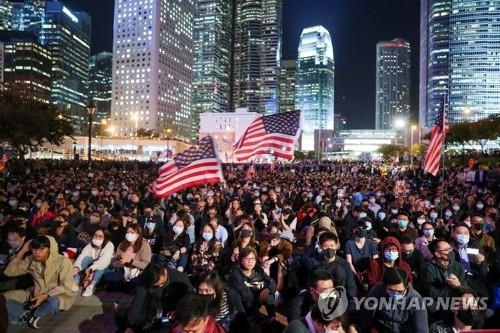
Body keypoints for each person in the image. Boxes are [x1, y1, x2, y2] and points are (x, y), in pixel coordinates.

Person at [2, 235, 76, 329]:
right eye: (34, 248)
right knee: (3, 298)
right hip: (35, 294)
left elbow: (66, 286)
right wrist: (22, 251)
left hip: (57, 295)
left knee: (53, 302)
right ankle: (29, 315)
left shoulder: (63, 262)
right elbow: (9, 272)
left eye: (42, 249)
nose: (37, 252)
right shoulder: (31, 259)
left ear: (49, 249)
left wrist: (45, 296)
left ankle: (30, 314)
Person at [116, 263, 193, 333]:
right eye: (156, 285)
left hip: (169, 314)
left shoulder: (180, 279)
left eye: (162, 283)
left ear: (165, 272)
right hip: (149, 310)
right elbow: (138, 303)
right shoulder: (145, 278)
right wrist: (129, 326)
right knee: (121, 316)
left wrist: (178, 313)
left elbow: (190, 301)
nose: (160, 286)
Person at [362, 268, 428, 333]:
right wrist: (370, 328)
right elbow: (366, 315)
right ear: (384, 285)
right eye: (391, 290)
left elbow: (421, 330)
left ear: (407, 286)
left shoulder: (416, 300)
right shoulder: (378, 290)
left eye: (400, 292)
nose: (395, 294)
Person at [304, 232, 357, 299]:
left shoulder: (344, 264)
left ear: (336, 246)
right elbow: (310, 285)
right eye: (325, 246)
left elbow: (351, 286)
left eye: (332, 246)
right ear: (320, 246)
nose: (329, 249)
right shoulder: (313, 262)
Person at [228, 247, 277, 319]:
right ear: (241, 260)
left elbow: (272, 282)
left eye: (252, 259)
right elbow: (244, 293)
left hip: (258, 299)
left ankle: (272, 318)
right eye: (247, 258)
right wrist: (258, 299)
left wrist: (267, 289)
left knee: (269, 295)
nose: (250, 261)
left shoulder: (259, 271)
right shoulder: (235, 274)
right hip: (244, 305)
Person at [422, 240, 467, 310]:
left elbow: (465, 286)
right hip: (438, 301)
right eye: (447, 250)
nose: (451, 252)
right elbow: (432, 292)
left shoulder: (458, 266)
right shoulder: (428, 268)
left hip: (456, 298)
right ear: (438, 254)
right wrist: (453, 292)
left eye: (450, 248)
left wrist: (458, 285)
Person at [72, 228, 114, 296]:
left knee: (101, 267)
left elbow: (103, 262)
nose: (97, 237)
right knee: (85, 258)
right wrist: (77, 267)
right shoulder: (90, 245)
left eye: (100, 236)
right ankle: (76, 280)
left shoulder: (109, 245)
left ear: (105, 238)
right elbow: (82, 256)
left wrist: (91, 268)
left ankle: (91, 286)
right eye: (95, 235)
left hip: (105, 267)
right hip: (91, 266)